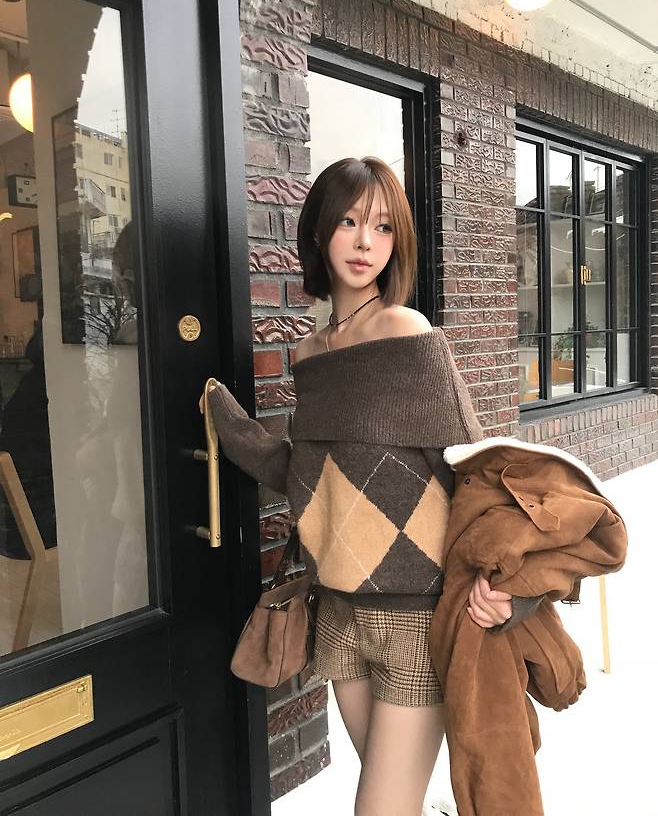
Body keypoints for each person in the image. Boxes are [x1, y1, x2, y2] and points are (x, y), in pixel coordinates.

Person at [201, 157, 525, 815]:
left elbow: (476, 467)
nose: (364, 242)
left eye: (382, 227)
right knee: (394, 800)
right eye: (349, 222)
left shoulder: (407, 332)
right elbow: (314, 478)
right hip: (338, 612)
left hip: (414, 618)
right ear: (320, 232)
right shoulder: (310, 353)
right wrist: (232, 430)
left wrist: (512, 589)